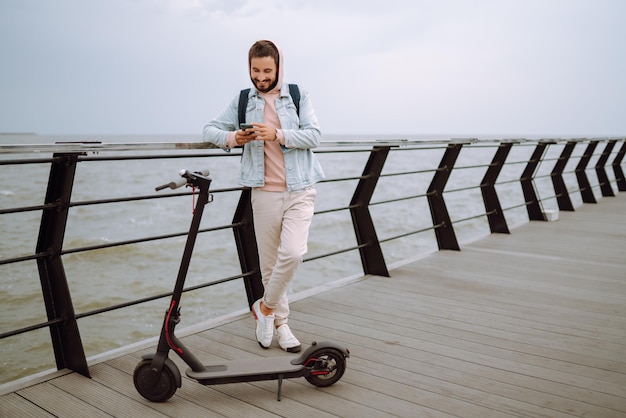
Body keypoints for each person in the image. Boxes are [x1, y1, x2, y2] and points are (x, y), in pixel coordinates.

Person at [202, 40, 324, 353]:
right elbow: (209, 130)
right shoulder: (243, 100)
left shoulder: (297, 96)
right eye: (255, 70)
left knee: (294, 253)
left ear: (278, 67)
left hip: (300, 189)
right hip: (264, 193)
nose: (260, 76)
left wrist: (278, 134)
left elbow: (314, 135)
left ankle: (265, 309)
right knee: (269, 266)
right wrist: (234, 137)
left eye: (267, 70)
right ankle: (281, 325)